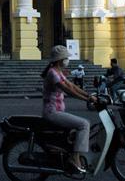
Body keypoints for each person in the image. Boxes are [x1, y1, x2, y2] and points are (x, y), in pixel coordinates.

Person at [42, 45, 96, 174]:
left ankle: (69, 154)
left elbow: (72, 86)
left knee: (73, 131)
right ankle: (75, 157)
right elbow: (68, 90)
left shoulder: (58, 72)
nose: (68, 60)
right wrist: (87, 100)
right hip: (52, 112)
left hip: (58, 111)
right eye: (66, 58)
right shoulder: (52, 73)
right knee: (84, 124)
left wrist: (89, 96)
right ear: (60, 59)